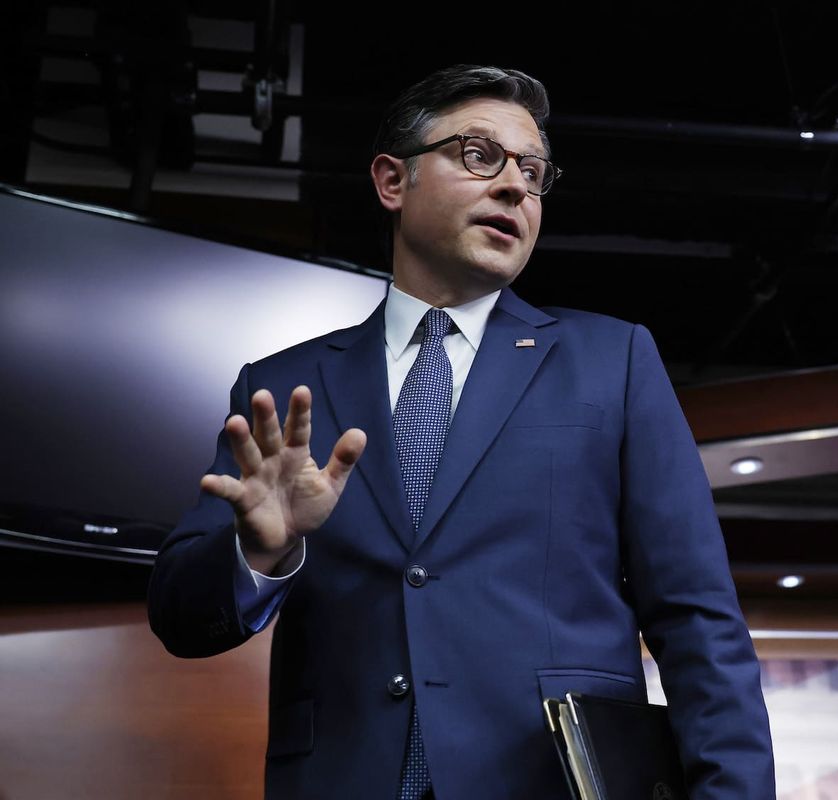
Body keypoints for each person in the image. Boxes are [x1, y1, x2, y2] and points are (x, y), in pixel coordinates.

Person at [148, 64, 774, 800]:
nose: (515, 187)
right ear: (393, 182)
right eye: (479, 156)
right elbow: (182, 620)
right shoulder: (287, 389)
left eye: (534, 172)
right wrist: (264, 548)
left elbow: (699, 622)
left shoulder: (615, 362)